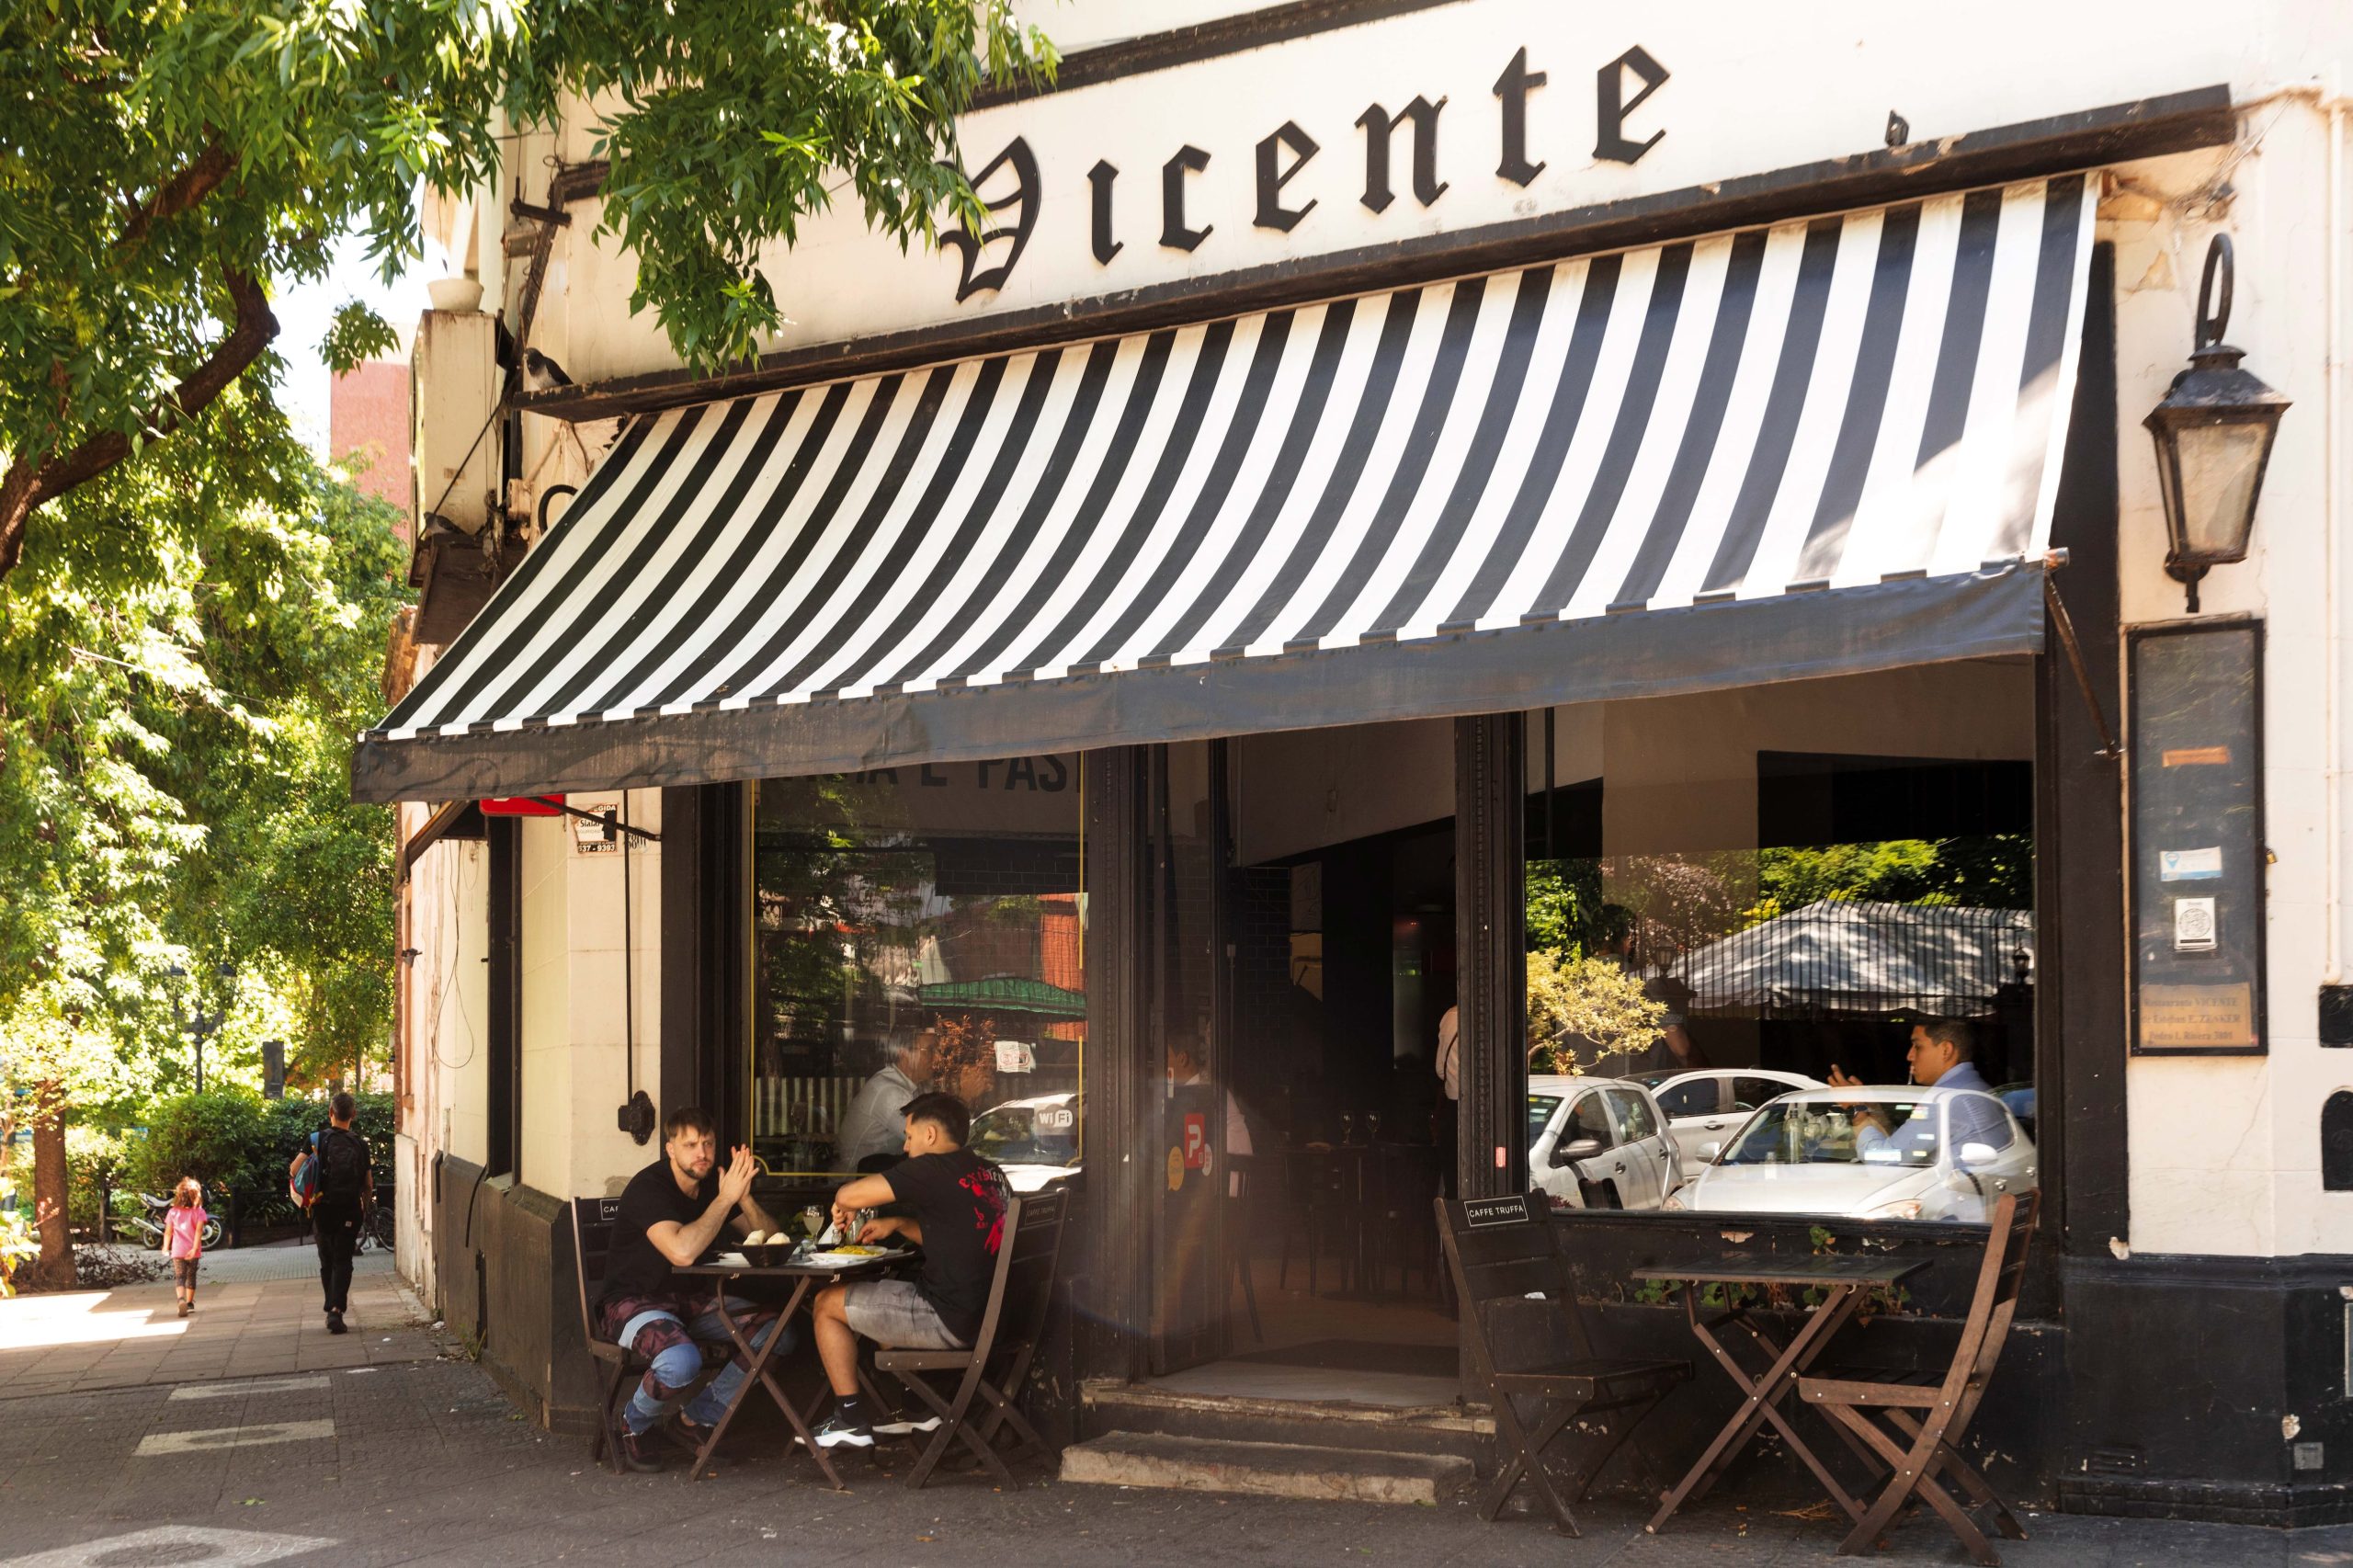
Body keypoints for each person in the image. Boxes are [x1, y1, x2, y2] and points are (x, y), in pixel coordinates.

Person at [805, 1093, 1010, 1449]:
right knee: (891, 1290)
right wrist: (899, 1223)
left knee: (825, 1304)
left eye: (909, 1136)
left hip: (949, 1319)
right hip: (995, 1319)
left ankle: (850, 1419)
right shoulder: (989, 1172)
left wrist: (842, 1201)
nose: (905, 1146)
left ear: (929, 1135)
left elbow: (851, 1195)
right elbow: (962, 1235)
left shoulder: (931, 1168)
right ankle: (918, 1407)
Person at [597, 1106, 792, 1472]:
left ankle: (693, 1420)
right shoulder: (649, 1188)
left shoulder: (709, 1190)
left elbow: (771, 1236)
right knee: (681, 1360)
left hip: (692, 1303)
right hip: (632, 1304)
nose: (701, 1153)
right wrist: (724, 1198)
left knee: (777, 1333)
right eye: (690, 1145)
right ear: (670, 1149)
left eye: (707, 1143)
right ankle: (633, 1425)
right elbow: (682, 1251)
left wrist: (743, 1198)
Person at [1829, 1018, 2010, 1159]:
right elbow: (1904, 1146)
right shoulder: (1970, 1087)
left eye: (1918, 1046)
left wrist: (1858, 1113)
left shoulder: (1946, 1099)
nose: (1910, 1056)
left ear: (1946, 1050)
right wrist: (1873, 1109)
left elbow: (1886, 1159)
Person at [290, 1092, 373, 1335]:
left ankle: (331, 1309)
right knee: (343, 1260)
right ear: (353, 1115)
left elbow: (294, 1169)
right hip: (349, 1209)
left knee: (327, 1260)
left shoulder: (316, 1139)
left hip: (323, 1208)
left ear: (330, 1112)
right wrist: (363, 1206)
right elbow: (368, 1183)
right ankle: (337, 1309)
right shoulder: (360, 1144)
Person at [838, 1024, 936, 1171]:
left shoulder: (914, 1085)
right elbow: (930, 1143)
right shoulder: (891, 1092)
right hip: (857, 1183)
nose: (937, 1057)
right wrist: (964, 1096)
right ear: (905, 1053)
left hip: (882, 1176)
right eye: (930, 1051)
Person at [163, 1177, 207, 1319]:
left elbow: (168, 1232)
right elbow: (199, 1232)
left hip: (177, 1250)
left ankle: (180, 1299)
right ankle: (189, 1303)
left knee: (180, 1277)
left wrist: (165, 1247)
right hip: (193, 1250)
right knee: (191, 1276)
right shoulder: (199, 1212)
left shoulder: (173, 1212)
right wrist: (194, 1248)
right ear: (196, 1195)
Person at [1433, 1004, 1460, 1197]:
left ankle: (1453, 1225)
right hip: (1490, 1114)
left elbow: (1441, 1071)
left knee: (1453, 1183)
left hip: (1454, 1109)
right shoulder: (1497, 1012)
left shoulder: (1451, 1015)